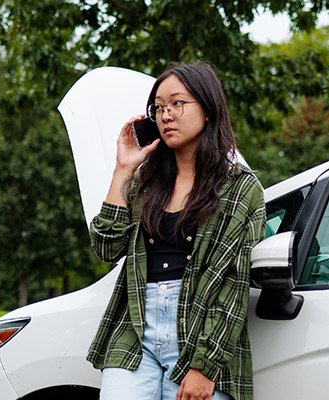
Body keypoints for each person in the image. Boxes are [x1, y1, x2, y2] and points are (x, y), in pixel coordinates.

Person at [86, 62, 266, 400]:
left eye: (177, 104)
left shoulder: (240, 188)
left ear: (208, 109)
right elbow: (106, 247)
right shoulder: (146, 182)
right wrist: (124, 167)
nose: (166, 115)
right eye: (159, 108)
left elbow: (233, 283)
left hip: (199, 329)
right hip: (135, 330)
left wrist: (205, 364)